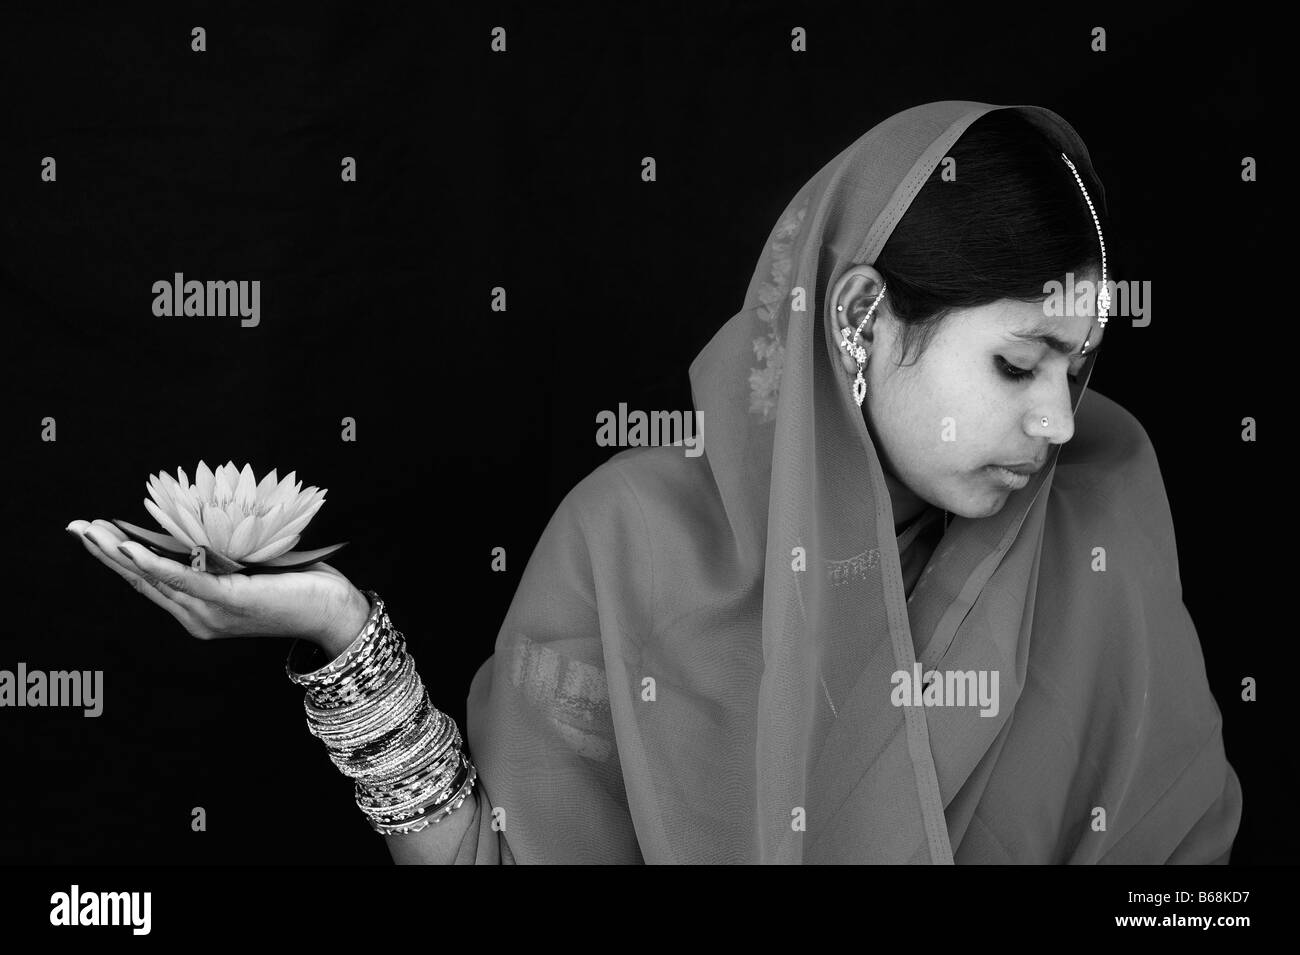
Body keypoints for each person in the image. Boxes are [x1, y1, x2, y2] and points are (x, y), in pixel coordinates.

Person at [67, 100, 1242, 864]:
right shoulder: (631, 542)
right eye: (1016, 361)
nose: (1055, 418)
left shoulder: (1100, 516)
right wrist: (342, 635)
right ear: (861, 317)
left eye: (1080, 368)